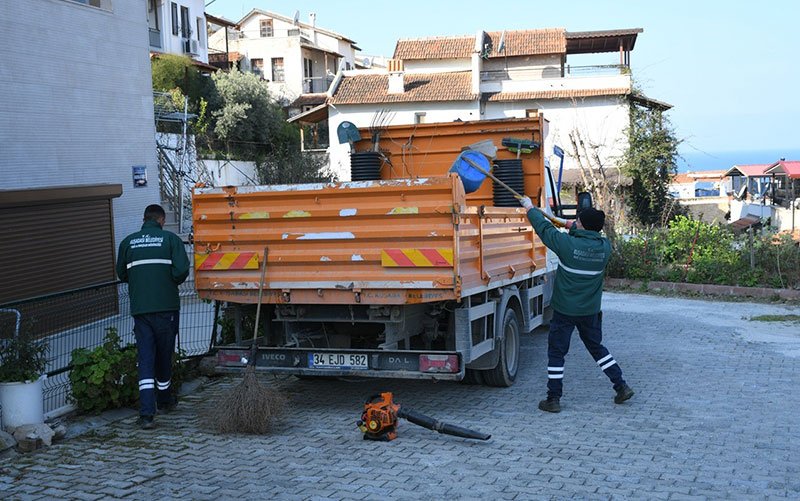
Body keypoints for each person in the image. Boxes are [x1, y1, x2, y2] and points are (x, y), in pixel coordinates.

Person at [519, 197, 633, 413]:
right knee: (597, 348)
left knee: (557, 353)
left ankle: (553, 399)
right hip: (589, 311)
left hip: (564, 311)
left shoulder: (567, 245)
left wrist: (530, 209)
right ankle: (621, 386)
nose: (575, 223)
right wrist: (568, 223)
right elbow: (582, 231)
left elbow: (545, 230)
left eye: (578, 221)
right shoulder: (604, 247)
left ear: (582, 225)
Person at [116, 204, 190, 429]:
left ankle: (147, 414)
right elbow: (181, 271)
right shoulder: (170, 240)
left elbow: (122, 273)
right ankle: (165, 400)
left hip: (141, 310)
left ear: (144, 218)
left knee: (146, 358)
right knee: (164, 354)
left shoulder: (128, 242)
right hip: (166, 307)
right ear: (162, 219)